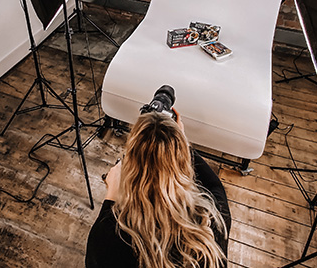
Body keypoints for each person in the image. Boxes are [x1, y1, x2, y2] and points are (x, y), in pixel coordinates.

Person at [85, 110, 232, 268]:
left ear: (131, 166)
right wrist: (179, 143)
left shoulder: (108, 236)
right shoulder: (212, 221)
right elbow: (215, 185)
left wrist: (111, 194)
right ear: (183, 162)